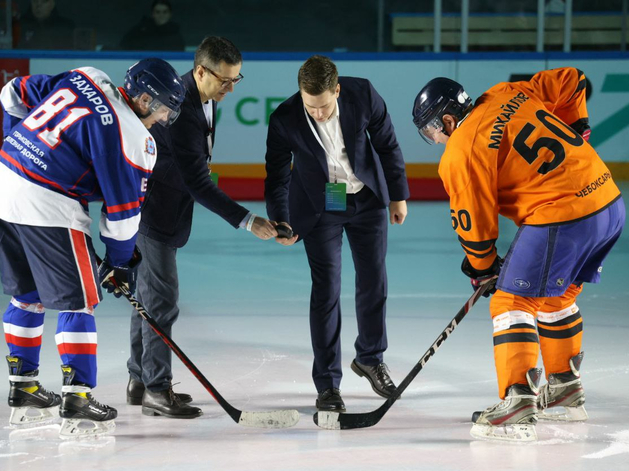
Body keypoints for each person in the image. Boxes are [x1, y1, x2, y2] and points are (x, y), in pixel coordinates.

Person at [411, 68, 625, 441]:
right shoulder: (505, 91)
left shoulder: (461, 149)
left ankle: (518, 402)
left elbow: (474, 224)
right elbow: (573, 79)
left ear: (448, 119)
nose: (437, 138)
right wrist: (578, 128)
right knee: (556, 296)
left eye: (433, 131)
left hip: (564, 213)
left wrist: (482, 267)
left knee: (511, 301)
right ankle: (564, 389)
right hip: (608, 200)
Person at [0, 58, 185, 437]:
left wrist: (17, 143)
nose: (164, 119)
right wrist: (120, 264)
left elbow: (11, 94)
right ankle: (78, 399)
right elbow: (121, 217)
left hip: (4, 180)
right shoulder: (134, 137)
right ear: (146, 99)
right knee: (78, 303)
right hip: (47, 203)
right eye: (164, 108)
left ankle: (24, 389)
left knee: (28, 295)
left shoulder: (87, 76)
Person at [127, 36, 278, 419]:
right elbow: (197, 181)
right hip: (152, 213)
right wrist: (248, 220)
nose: (230, 88)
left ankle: (140, 380)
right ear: (199, 71)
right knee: (160, 301)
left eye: (236, 80)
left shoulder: (204, 98)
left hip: (159, 210)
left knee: (145, 296)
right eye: (224, 80)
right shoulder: (178, 109)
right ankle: (157, 390)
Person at [265, 55, 409, 412]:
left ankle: (371, 359)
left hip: (369, 199)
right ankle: (328, 384)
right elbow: (277, 176)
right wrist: (281, 219)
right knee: (326, 289)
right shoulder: (284, 118)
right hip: (320, 208)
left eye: (324, 106)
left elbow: (388, 144)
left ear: (338, 90)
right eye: (309, 106)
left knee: (374, 280)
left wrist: (398, 195)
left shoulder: (363, 95)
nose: (317, 113)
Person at [119, 0, 185, 52]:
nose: (161, 15)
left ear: (170, 14)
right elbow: (124, 45)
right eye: (157, 12)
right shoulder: (141, 31)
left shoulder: (175, 35)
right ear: (152, 14)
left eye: (165, 12)